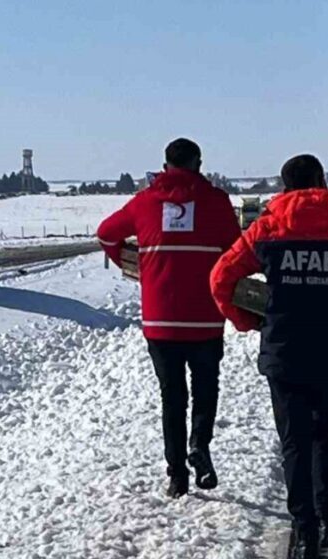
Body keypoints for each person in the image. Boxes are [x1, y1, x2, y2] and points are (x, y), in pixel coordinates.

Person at [209, 154, 328, 559]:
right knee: (325, 432)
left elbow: (220, 279)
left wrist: (244, 319)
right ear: (320, 181)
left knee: (294, 442)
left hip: (284, 352)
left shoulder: (267, 228)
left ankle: (304, 531)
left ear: (284, 186)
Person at [98, 138, 242, 498]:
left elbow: (105, 234)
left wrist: (133, 265)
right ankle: (199, 447)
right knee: (206, 388)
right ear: (198, 164)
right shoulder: (217, 202)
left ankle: (176, 473)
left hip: (161, 320)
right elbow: (236, 250)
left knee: (172, 396)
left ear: (165, 166)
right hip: (206, 318)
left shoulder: (145, 201)